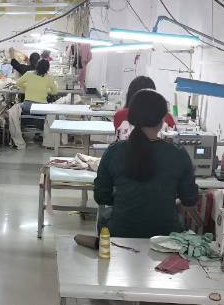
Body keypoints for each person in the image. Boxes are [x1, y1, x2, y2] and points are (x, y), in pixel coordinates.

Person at [77, 89, 198, 246]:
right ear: (162, 119)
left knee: (106, 218)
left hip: (120, 232)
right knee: (179, 222)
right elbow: (189, 200)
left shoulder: (114, 152)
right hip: (165, 235)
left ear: (132, 117)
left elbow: (101, 197)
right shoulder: (178, 154)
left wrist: (126, 199)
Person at [7, 59, 60, 150]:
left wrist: (27, 87)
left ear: (37, 66)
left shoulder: (28, 74)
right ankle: (43, 136)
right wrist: (46, 89)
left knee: (18, 107)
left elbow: (18, 83)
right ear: (47, 68)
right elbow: (55, 92)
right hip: (42, 109)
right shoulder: (49, 77)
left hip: (27, 107)